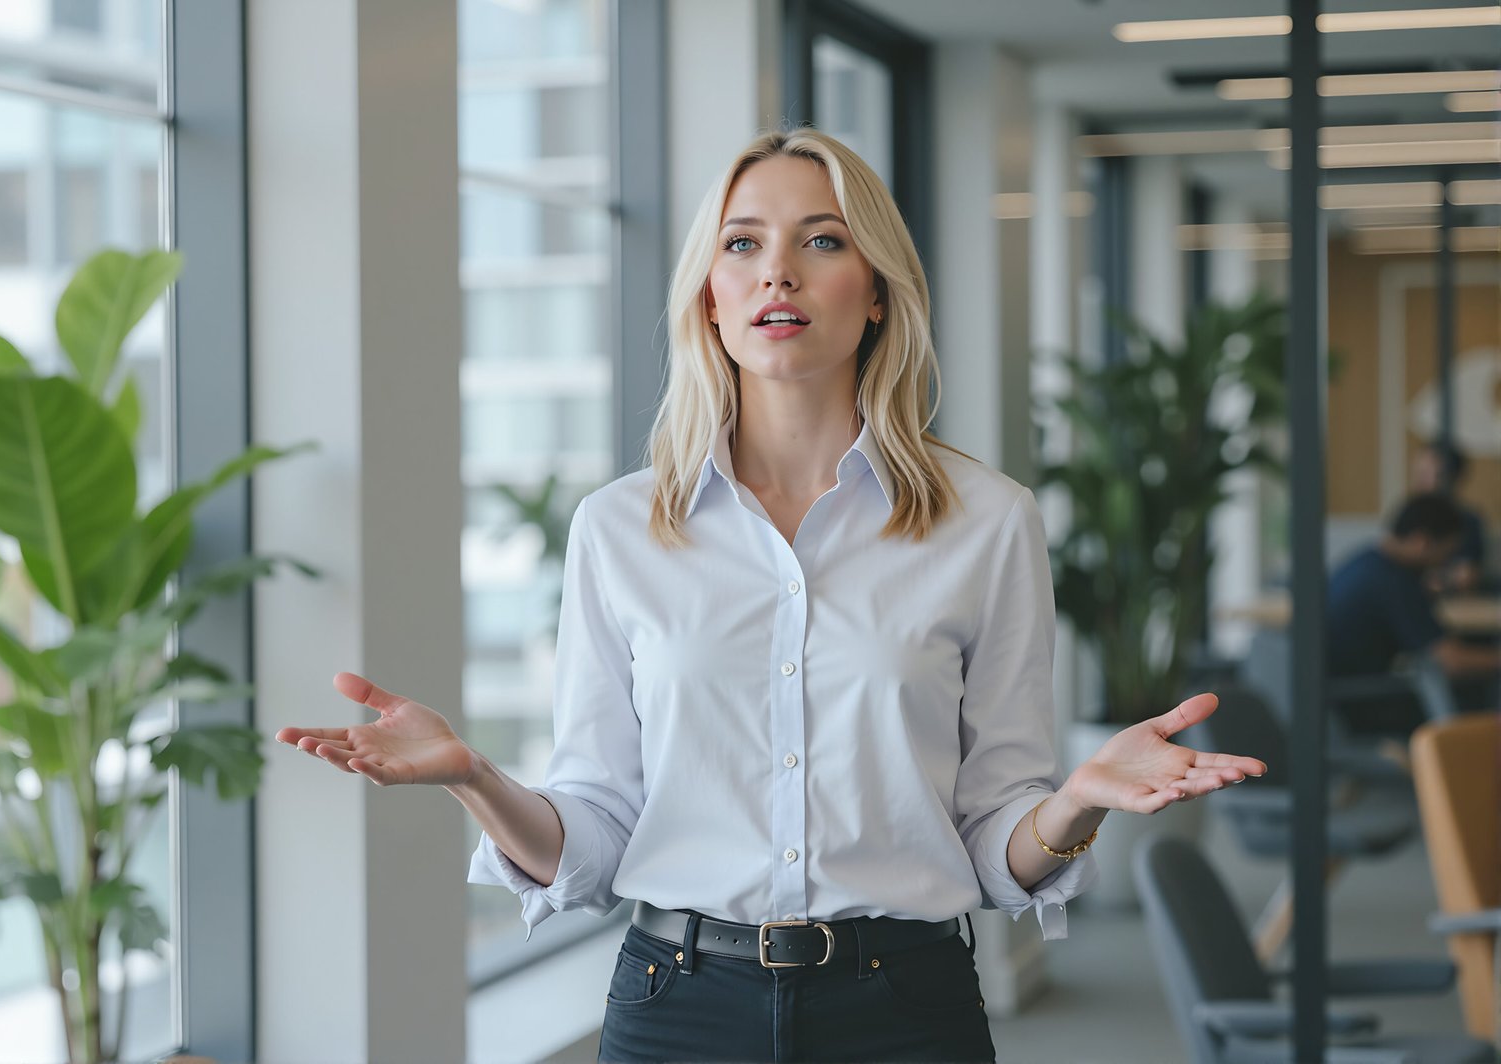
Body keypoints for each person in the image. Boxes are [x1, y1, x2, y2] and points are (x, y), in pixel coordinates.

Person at [277, 128, 1265, 1064]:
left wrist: (1077, 801)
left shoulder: (987, 520)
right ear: (709, 295)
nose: (776, 272)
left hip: (906, 1005)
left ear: (875, 290)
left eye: (821, 240)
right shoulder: (621, 528)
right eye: (741, 243)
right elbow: (596, 833)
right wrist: (475, 779)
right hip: (677, 1006)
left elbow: (992, 840)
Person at [1326, 492, 1501, 734]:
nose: (1445, 562)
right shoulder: (1396, 583)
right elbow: (1452, 662)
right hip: (1362, 702)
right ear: (1421, 542)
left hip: (1335, 697)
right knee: (1472, 699)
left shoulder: (1366, 561)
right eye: (1446, 552)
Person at [1407, 442, 1490, 595]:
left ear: (1449, 478)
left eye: (1425, 474)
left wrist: (1438, 580)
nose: (1418, 481)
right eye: (1417, 472)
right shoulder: (1409, 517)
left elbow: (1466, 576)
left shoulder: (1467, 520)